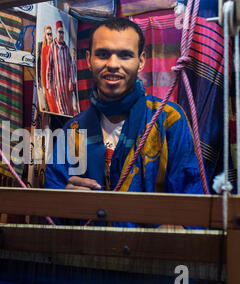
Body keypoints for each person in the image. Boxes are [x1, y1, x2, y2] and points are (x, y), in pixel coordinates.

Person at [43, 16, 204, 226]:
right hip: (86, 254)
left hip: (150, 254)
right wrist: (65, 202)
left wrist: (177, 230)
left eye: (125, 55)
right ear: (89, 59)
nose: (113, 64)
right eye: (103, 54)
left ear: (141, 61)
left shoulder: (168, 119)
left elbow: (192, 202)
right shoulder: (73, 129)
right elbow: (50, 203)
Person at [46, 20, 75, 116]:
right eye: (59, 32)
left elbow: (71, 66)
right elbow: (49, 67)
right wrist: (49, 86)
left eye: (63, 32)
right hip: (57, 85)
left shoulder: (66, 48)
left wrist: (71, 81)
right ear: (56, 32)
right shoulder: (52, 47)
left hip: (67, 85)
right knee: (61, 111)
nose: (61, 34)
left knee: (69, 110)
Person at [40, 25, 59, 114]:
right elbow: (43, 69)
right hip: (48, 83)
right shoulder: (44, 49)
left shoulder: (57, 47)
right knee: (52, 107)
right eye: (48, 34)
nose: (50, 36)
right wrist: (44, 86)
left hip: (58, 82)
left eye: (51, 34)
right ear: (45, 35)